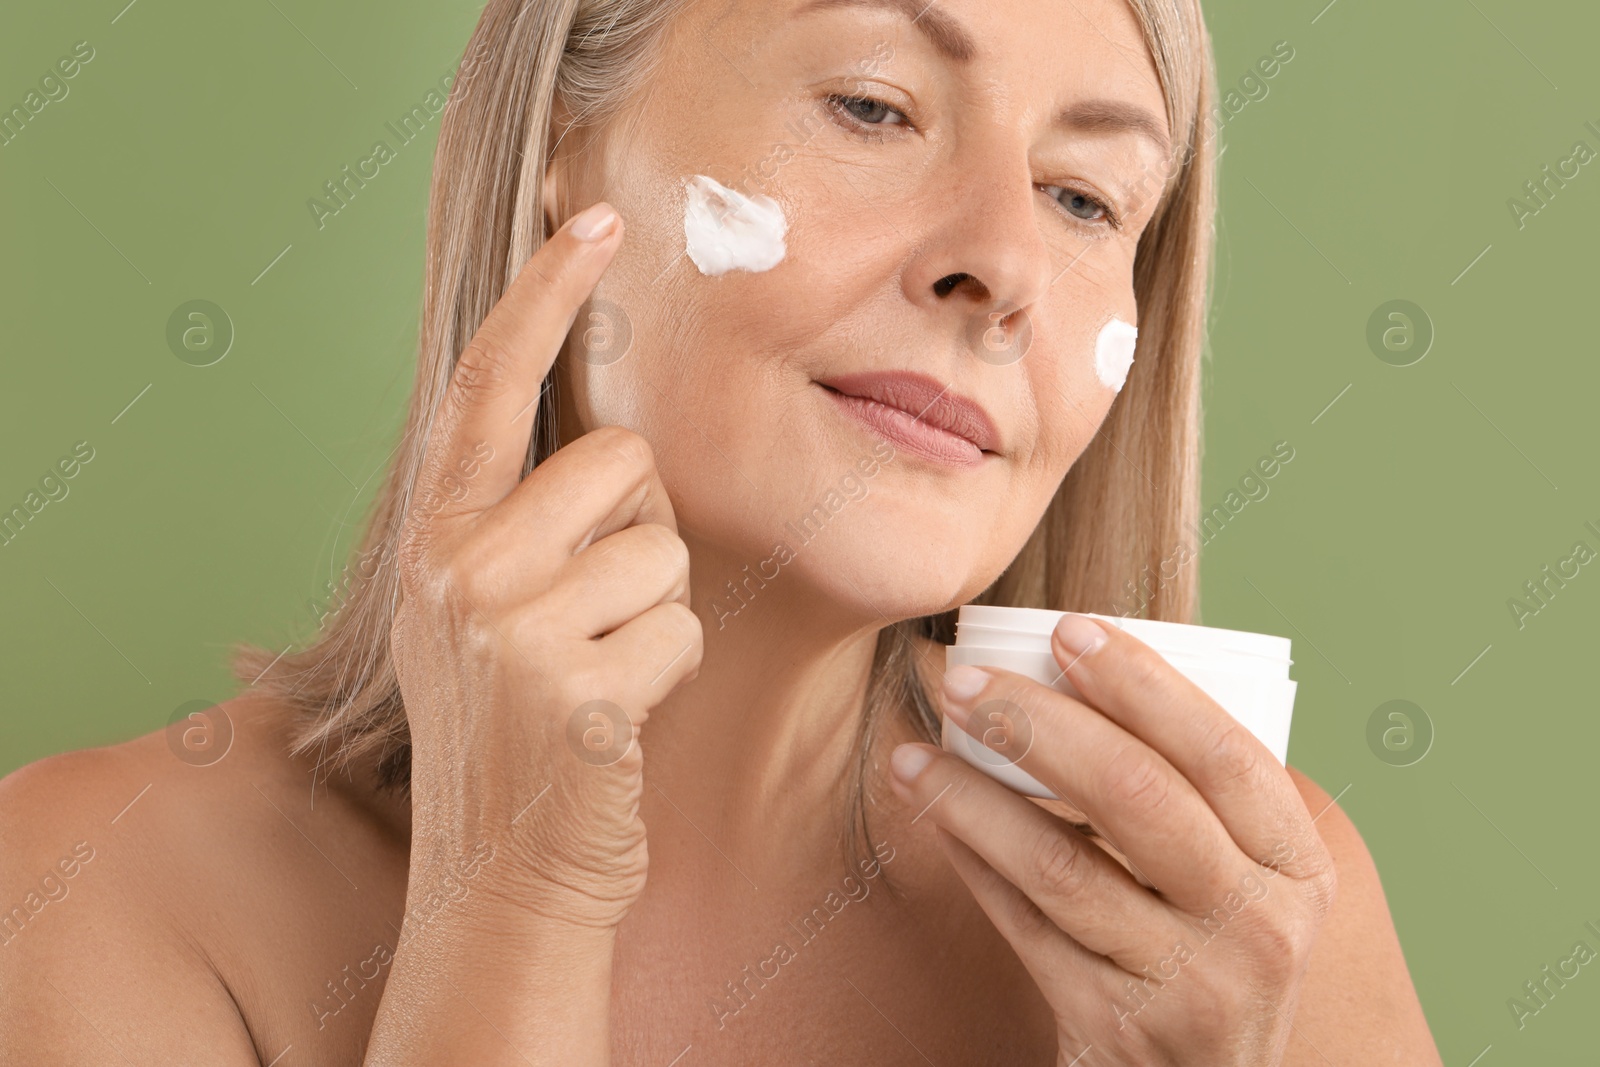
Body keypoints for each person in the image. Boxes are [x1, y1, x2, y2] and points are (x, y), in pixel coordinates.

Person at [0, 0, 1443, 1061]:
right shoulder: (101, 890)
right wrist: (514, 904)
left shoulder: (1246, 919)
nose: (1003, 264)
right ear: (568, 141)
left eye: (1083, 197)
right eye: (874, 107)